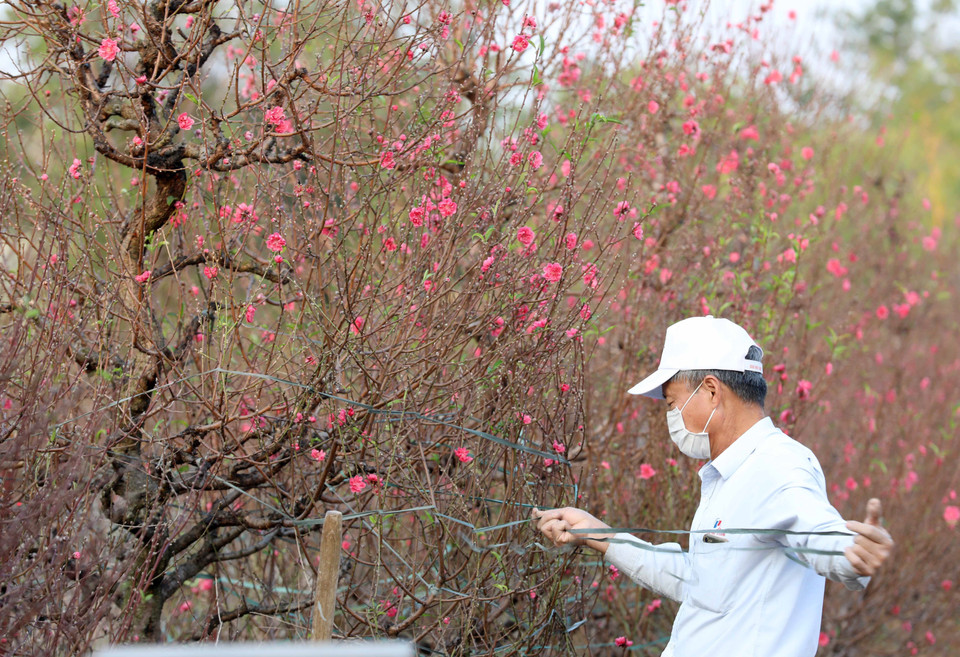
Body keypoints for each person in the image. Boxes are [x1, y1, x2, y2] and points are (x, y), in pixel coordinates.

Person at [533, 316, 893, 657]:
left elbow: (816, 532)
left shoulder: (778, 466)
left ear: (711, 391)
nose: (671, 417)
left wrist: (850, 554)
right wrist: (597, 533)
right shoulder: (729, 473)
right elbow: (701, 581)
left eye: (672, 403)